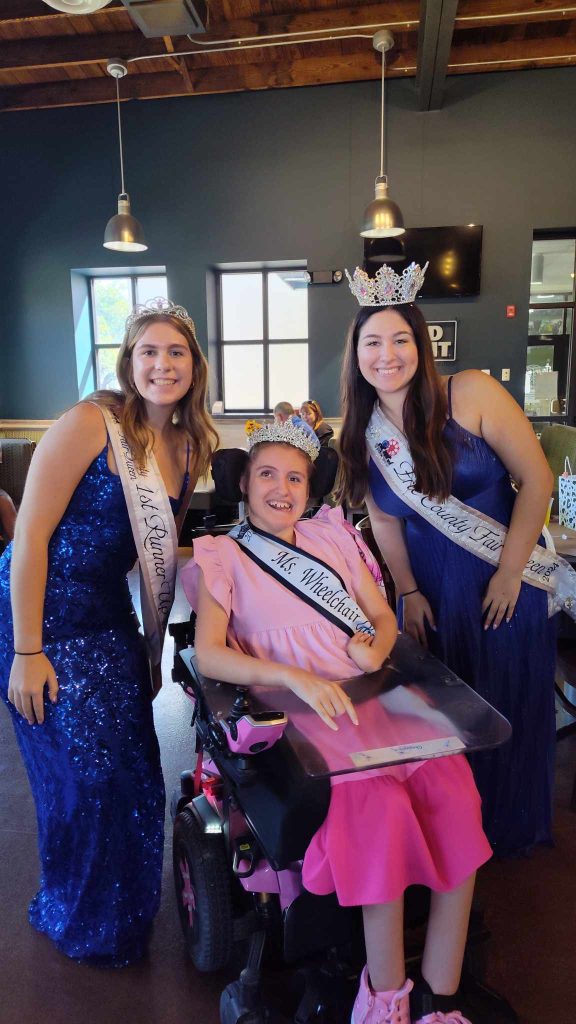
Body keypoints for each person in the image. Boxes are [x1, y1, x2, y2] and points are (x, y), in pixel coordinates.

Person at [182, 420, 493, 1024]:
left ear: (309, 487)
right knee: (379, 813)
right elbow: (211, 653)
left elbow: (381, 616)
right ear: (243, 483)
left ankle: (440, 995)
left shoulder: (336, 536)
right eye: (267, 474)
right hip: (300, 712)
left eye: (295, 476)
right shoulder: (224, 554)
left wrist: (373, 649)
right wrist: (295, 677)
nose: (282, 487)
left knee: (455, 793)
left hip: (374, 698)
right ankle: (385, 999)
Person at [0, 297, 218, 965]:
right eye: (148, 351)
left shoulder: (187, 445)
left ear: (194, 366)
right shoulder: (89, 424)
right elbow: (30, 536)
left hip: (106, 614)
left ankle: (124, 911)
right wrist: (28, 650)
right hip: (40, 612)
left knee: (135, 772)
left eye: (175, 352)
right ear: (129, 362)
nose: (162, 364)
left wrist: (151, 648)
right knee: (83, 778)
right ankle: (80, 913)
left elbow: (160, 548)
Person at [337, 262, 557, 858]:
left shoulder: (472, 391)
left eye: (400, 339)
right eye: (372, 342)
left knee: (505, 702)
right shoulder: (362, 431)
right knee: (449, 716)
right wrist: (406, 591)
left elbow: (537, 479)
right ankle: (458, 834)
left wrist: (511, 572)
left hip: (500, 581)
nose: (387, 355)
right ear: (356, 353)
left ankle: (508, 832)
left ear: (421, 342)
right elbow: (382, 517)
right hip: (433, 592)